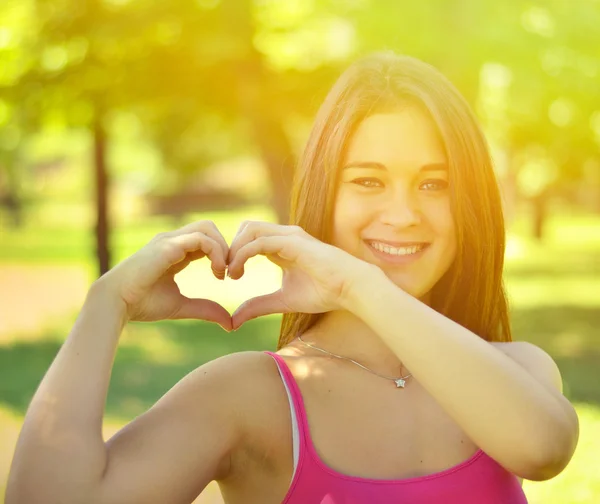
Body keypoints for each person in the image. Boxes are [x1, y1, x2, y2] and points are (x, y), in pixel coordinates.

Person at [6, 52, 579, 504]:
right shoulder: (251, 397)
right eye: (368, 182)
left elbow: (544, 450)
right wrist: (106, 302)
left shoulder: (518, 371)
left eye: (435, 184)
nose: (404, 214)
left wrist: (362, 287)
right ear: (323, 198)